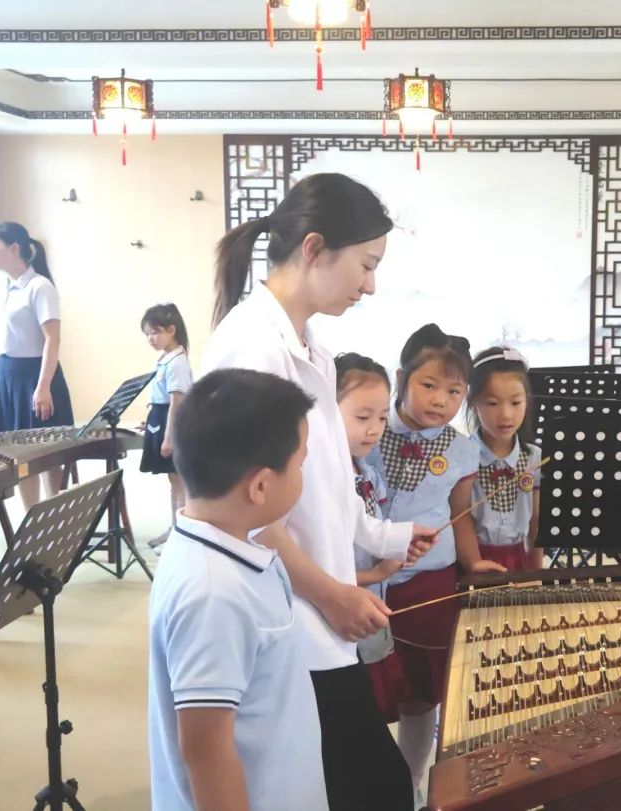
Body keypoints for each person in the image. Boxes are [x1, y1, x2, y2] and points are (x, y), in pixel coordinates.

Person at [204, 172, 435, 811]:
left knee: (365, 785)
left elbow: (329, 485)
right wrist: (333, 594)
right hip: (289, 613)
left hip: (316, 607)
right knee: (369, 788)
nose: (371, 284)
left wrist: (384, 538)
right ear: (313, 249)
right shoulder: (254, 348)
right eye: (365, 264)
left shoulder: (313, 345)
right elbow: (246, 512)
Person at [147, 368, 328, 811]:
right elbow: (206, 750)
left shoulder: (227, 548)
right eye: (301, 464)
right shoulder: (213, 593)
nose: (303, 475)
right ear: (261, 485)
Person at [367, 323, 506, 796]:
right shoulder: (369, 429)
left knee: (422, 692)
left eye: (454, 391)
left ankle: (411, 782)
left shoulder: (462, 449)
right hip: (364, 580)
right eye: (428, 385)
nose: (440, 400)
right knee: (365, 686)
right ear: (402, 378)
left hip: (429, 584)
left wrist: (472, 561)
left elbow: (460, 514)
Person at [0, 222, 73, 507]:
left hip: (34, 379)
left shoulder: (39, 286)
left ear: (14, 248)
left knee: (46, 456)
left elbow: (53, 339)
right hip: (8, 379)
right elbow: (2, 346)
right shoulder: (10, 289)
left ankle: (55, 515)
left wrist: (43, 387)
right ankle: (32, 521)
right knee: (19, 458)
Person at [333, 352, 407, 713]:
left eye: (381, 417)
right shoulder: (321, 482)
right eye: (362, 417)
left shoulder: (369, 475)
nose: (375, 428)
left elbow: (373, 529)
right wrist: (374, 574)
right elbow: (316, 570)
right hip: (338, 615)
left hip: (371, 606)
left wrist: (401, 543)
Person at [467, 347, 543, 571]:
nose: (506, 415)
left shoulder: (534, 457)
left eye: (516, 402)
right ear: (473, 402)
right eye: (492, 403)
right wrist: (471, 561)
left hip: (520, 560)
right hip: (474, 560)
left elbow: (535, 521)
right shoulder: (463, 456)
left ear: (527, 401)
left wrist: (537, 573)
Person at [140, 303, 193, 550]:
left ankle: (182, 533)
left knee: (180, 481)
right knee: (173, 482)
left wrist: (169, 438)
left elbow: (177, 403)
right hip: (160, 418)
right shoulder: (164, 358)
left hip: (173, 422)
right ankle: (174, 528)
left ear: (171, 330)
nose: (150, 338)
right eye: (148, 333)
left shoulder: (178, 362)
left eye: (155, 332)